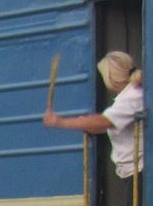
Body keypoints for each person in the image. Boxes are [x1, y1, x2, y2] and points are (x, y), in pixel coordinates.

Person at [43, 51, 144, 179]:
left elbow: (105, 121)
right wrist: (87, 125)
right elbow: (112, 125)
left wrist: (60, 122)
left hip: (138, 171)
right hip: (132, 171)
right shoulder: (130, 95)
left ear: (110, 77)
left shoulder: (132, 97)